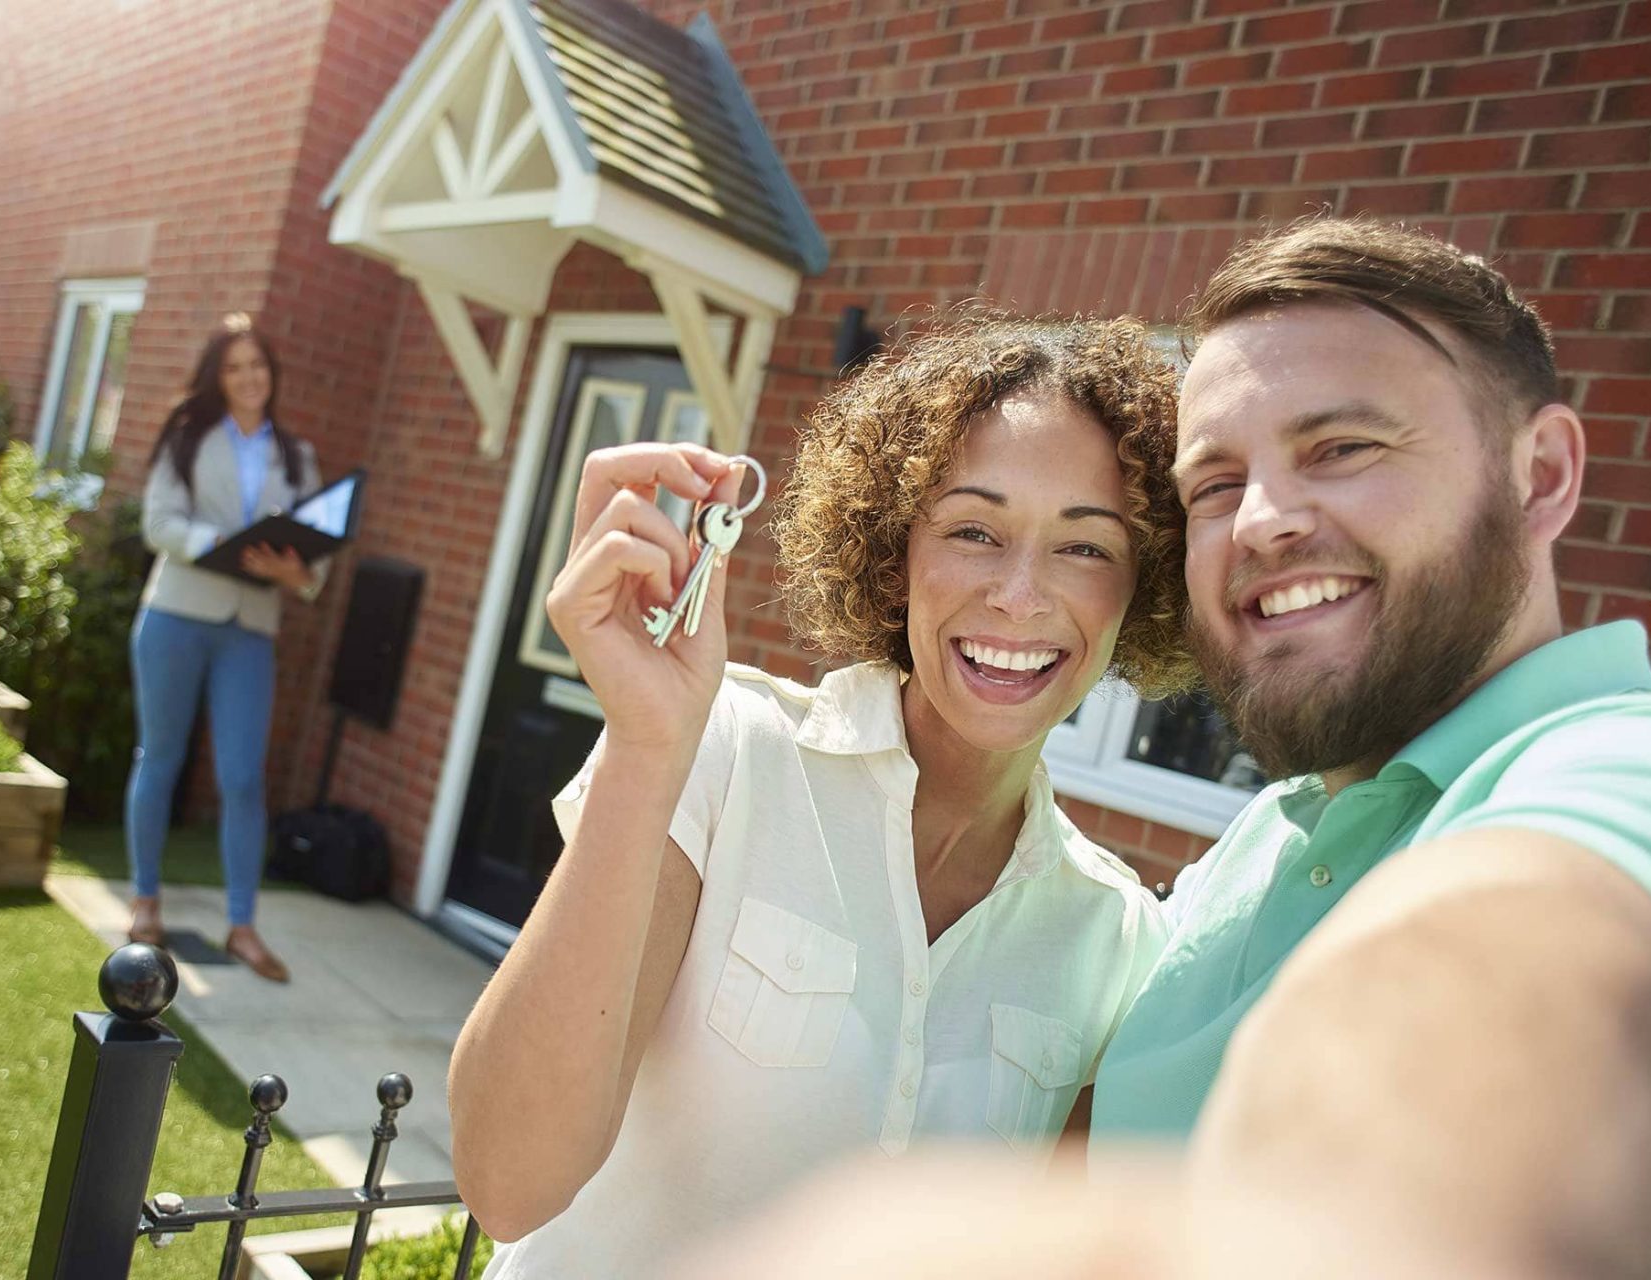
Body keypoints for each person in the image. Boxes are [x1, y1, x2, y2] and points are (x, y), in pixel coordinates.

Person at [682, 218, 1651, 1280]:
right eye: (1216, 484)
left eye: (1342, 448)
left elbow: (1507, 971)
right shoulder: (1247, 859)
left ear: (1543, 474)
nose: (1263, 521)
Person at [447, 313, 1198, 1278]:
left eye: (1085, 548)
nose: (1020, 594)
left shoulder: (1119, 942)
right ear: (897, 557)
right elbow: (507, 1183)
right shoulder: (723, 754)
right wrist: (645, 741)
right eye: (974, 530)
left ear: (1141, 589)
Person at [125, 313, 328, 983]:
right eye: (236, 367)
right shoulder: (187, 438)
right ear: (219, 375)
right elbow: (158, 523)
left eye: (259, 366)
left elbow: (313, 566)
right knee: (161, 759)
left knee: (243, 776)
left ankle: (243, 927)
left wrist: (290, 573)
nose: (249, 378)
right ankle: (145, 901)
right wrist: (223, 547)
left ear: (273, 376)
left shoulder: (296, 457)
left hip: (250, 627)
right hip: (177, 615)